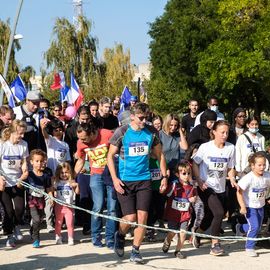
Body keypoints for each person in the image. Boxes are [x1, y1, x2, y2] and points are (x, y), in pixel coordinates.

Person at [107, 102, 168, 264]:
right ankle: (119, 235)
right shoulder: (122, 132)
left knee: (142, 218)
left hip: (144, 180)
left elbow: (160, 155)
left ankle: (135, 250)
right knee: (130, 217)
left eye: (146, 118)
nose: (143, 121)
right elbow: (109, 156)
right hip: (126, 181)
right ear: (132, 116)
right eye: (141, 118)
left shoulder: (152, 132)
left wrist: (164, 177)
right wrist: (115, 179)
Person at [192, 120, 237, 256]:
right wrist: (199, 181)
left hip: (221, 187)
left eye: (227, 133)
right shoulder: (205, 147)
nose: (224, 135)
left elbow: (230, 168)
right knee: (219, 213)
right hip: (206, 186)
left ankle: (197, 233)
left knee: (211, 216)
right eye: (222, 132)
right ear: (214, 132)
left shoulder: (230, 148)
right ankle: (215, 245)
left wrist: (233, 178)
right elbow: (194, 163)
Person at [74, 122, 116, 248]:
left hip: (111, 175)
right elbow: (81, 161)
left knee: (112, 209)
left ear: (92, 133)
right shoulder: (81, 143)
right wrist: (71, 178)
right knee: (97, 207)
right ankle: (96, 236)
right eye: (79, 138)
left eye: (84, 138)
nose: (81, 141)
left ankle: (110, 238)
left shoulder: (107, 134)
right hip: (95, 176)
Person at [0, 120, 29, 247]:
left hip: (18, 181)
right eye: (20, 134)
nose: (22, 136)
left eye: (23, 134)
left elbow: (24, 162)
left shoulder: (24, 145)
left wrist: (24, 173)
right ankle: (9, 235)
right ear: (12, 131)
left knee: (20, 209)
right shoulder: (2, 145)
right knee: (8, 211)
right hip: (4, 182)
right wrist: (0, 178)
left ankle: (17, 225)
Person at [236, 153, 270, 257]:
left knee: (257, 227)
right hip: (249, 206)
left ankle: (240, 228)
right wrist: (242, 206)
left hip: (260, 205)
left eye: (264, 164)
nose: (262, 167)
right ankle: (249, 247)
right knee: (255, 227)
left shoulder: (267, 176)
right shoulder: (248, 178)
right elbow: (239, 192)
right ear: (252, 166)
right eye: (259, 165)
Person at [162, 161, 197, 259]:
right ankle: (167, 241)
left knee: (183, 234)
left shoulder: (191, 187)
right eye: (184, 173)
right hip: (173, 214)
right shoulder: (174, 185)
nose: (186, 176)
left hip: (185, 215)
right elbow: (166, 194)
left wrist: (193, 199)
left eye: (188, 173)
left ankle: (178, 251)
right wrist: (163, 189)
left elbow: (194, 197)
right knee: (172, 233)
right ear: (178, 174)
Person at [27, 149, 53, 248]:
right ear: (31, 162)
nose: (39, 163)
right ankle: (36, 240)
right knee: (37, 219)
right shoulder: (29, 175)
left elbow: (48, 188)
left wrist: (50, 196)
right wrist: (21, 180)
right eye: (37, 161)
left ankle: (32, 230)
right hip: (31, 202)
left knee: (39, 219)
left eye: (41, 161)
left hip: (41, 202)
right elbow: (21, 186)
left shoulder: (45, 175)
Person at [54, 162, 79, 245]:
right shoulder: (56, 182)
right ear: (58, 173)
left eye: (66, 172)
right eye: (62, 173)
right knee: (58, 222)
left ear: (69, 173)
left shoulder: (71, 181)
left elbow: (78, 192)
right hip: (59, 206)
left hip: (69, 206)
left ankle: (70, 238)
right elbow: (51, 189)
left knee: (70, 223)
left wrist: (76, 186)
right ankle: (58, 236)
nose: (64, 174)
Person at [159, 114, 188, 182]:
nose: (173, 128)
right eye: (171, 125)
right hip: (163, 169)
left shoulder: (177, 135)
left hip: (175, 170)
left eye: (175, 125)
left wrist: (180, 131)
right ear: (166, 123)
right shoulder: (160, 135)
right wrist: (165, 169)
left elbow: (185, 147)